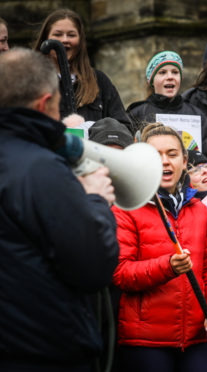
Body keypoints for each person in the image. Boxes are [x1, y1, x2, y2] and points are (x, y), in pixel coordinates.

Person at [0, 48, 118, 371]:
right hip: (44, 351)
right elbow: (93, 265)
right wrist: (95, 200)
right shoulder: (42, 170)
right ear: (43, 104)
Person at [112, 123, 207, 372]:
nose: (165, 162)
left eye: (172, 154)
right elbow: (121, 274)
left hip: (195, 338)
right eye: (155, 155)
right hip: (145, 340)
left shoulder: (200, 210)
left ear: (185, 160)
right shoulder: (127, 207)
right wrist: (167, 267)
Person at [33, 9, 129, 126]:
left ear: (80, 40)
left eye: (71, 35)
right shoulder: (33, 80)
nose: (65, 40)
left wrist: (97, 132)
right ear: (46, 39)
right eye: (57, 34)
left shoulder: (98, 80)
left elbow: (123, 125)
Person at [127, 50, 207, 163]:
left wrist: (203, 170)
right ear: (151, 80)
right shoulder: (137, 113)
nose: (170, 77)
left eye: (175, 72)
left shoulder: (197, 114)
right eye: (162, 72)